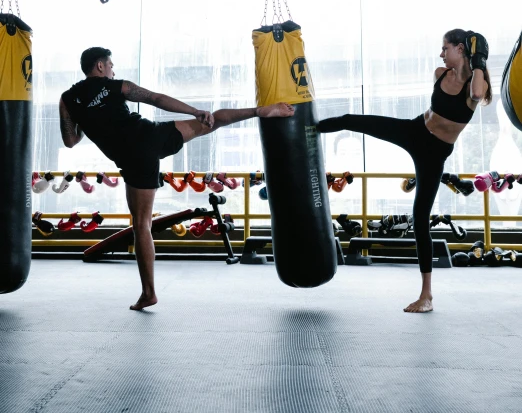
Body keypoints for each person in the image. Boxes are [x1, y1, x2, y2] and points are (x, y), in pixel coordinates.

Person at [59, 47, 294, 311]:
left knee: (141, 226)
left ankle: (148, 293)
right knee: (211, 122)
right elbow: (156, 98)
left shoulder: (68, 99)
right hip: (151, 136)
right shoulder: (115, 86)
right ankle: (259, 111)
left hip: (133, 159)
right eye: (111, 65)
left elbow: (70, 141)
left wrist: (85, 121)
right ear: (100, 66)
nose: (113, 70)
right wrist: (195, 112)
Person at [317, 29, 492, 314]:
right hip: (415, 130)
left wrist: (480, 61)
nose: (441, 53)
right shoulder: (440, 73)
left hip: (434, 153)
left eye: (445, 48)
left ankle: (426, 295)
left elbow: (476, 93)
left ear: (460, 49)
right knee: (353, 120)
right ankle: (306, 129)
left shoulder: (476, 85)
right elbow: (449, 87)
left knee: (420, 218)